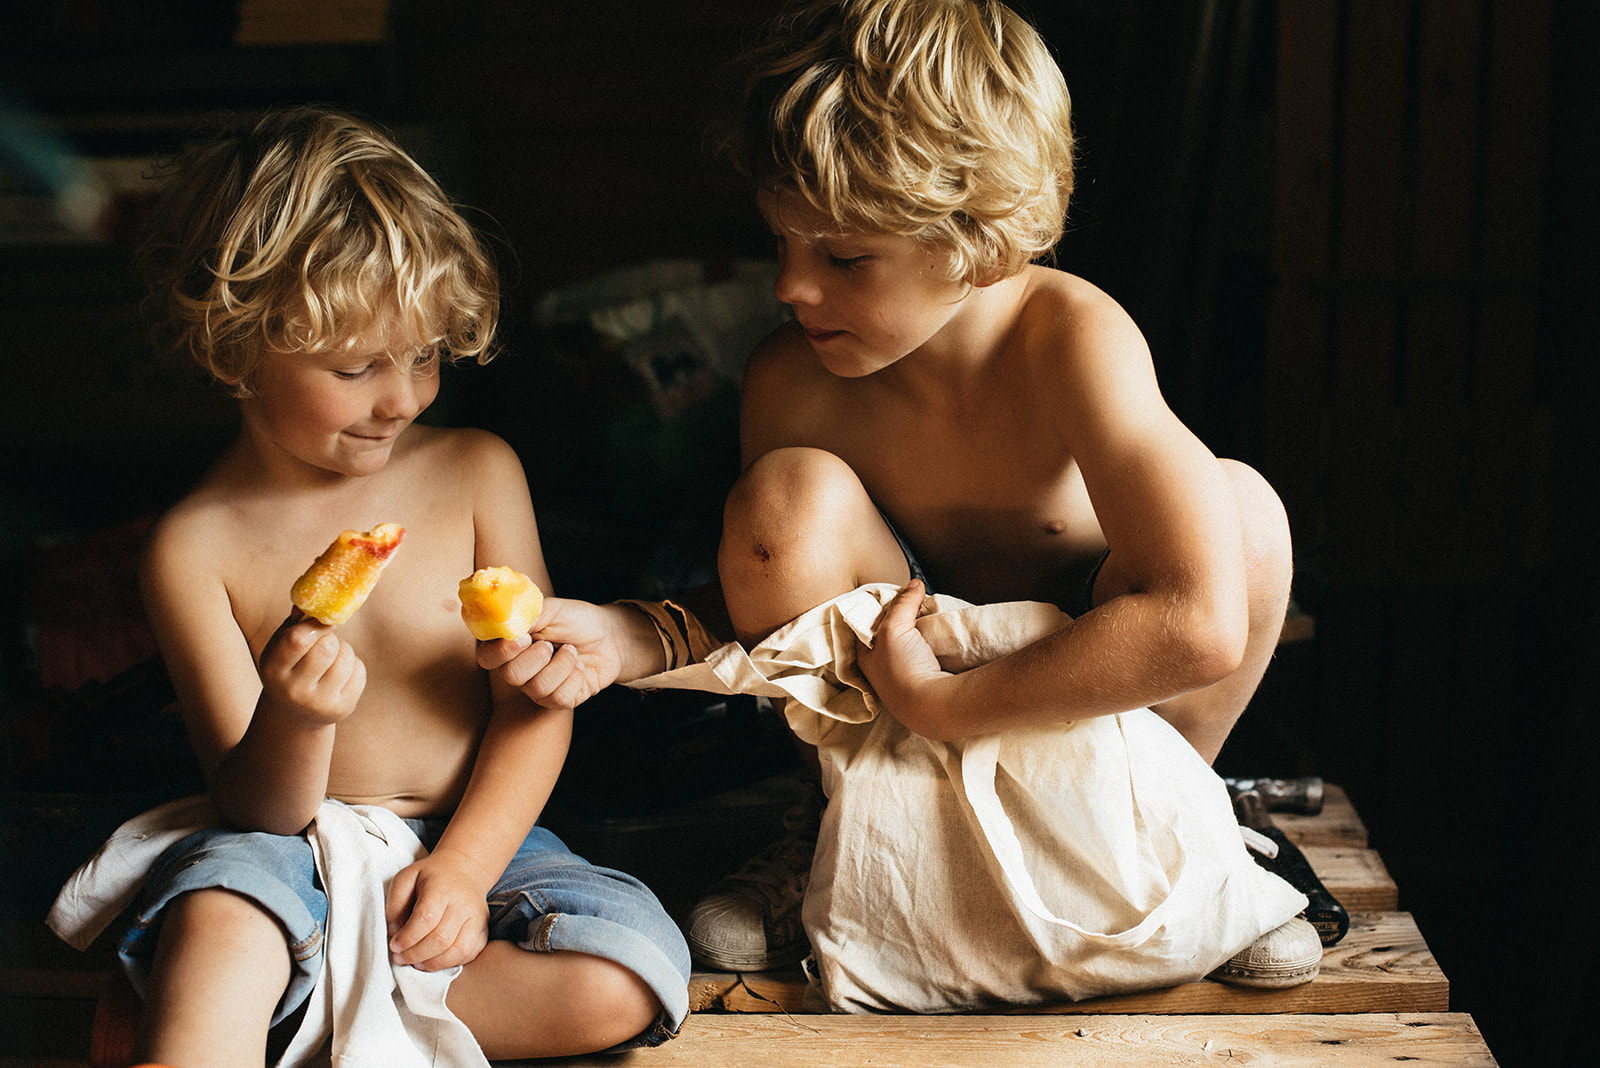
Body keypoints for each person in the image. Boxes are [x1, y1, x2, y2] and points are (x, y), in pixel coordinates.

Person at [485, 0, 1312, 988]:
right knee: (783, 506)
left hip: (1090, 699)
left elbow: (1200, 623)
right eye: (780, 244)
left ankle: (1189, 840)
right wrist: (641, 634)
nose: (790, 287)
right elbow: (778, 606)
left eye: (840, 257)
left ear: (977, 237)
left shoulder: (1072, 341)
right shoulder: (792, 380)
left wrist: (955, 705)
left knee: (1244, 516)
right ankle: (837, 822)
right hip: (885, 712)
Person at [108, 106, 690, 1065]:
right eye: (355, 367)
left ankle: (325, 1016)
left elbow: (536, 705)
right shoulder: (191, 547)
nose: (404, 397)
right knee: (219, 920)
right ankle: (248, 1017)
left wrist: (463, 870)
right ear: (234, 346)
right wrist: (295, 720)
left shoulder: (475, 471)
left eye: (423, 356)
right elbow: (254, 808)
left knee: (624, 973)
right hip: (288, 850)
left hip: (480, 837)